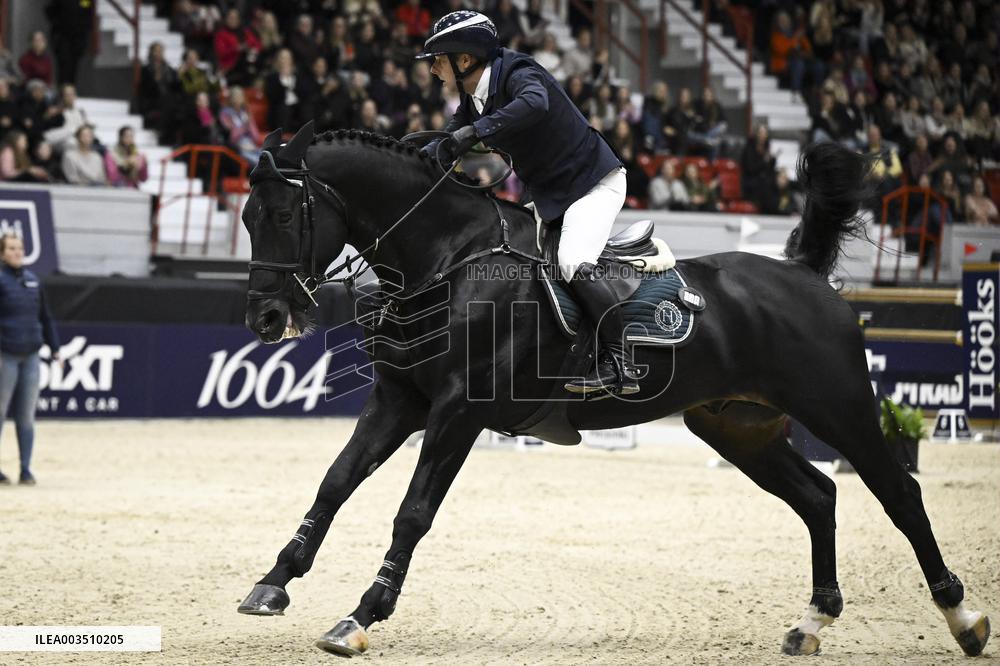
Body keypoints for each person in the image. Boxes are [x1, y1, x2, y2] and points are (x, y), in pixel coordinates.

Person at [417, 11, 637, 395]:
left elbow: (535, 104)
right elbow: (446, 140)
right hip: (550, 195)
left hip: (592, 185)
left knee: (572, 261)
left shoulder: (519, 73)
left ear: (464, 60)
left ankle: (622, 362)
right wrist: (412, 157)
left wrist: (475, 132)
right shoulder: (474, 97)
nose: (433, 69)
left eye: (438, 59)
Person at [0, 233, 60, 485]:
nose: (17, 252)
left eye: (20, 247)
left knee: (26, 416)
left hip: (31, 356)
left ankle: (26, 468)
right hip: (5, 356)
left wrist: (55, 348)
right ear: (2, 254)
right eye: (11, 248)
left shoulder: (33, 280)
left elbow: (45, 317)